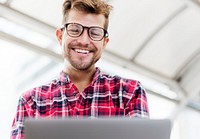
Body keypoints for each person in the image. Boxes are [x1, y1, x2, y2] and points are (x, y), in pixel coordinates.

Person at [11, 0, 149, 138]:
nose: (84, 41)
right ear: (60, 36)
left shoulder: (129, 93)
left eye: (95, 33)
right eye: (75, 30)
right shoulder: (31, 101)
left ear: (104, 42)